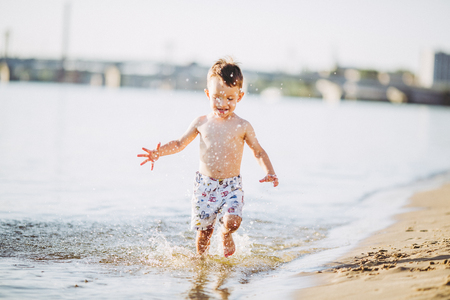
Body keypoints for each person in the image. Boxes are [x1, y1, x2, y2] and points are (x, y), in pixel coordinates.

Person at [137, 57, 278, 257]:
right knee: (204, 234)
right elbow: (179, 143)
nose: (222, 103)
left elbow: (259, 151)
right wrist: (157, 153)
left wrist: (269, 171)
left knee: (233, 221)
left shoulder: (242, 126)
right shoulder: (201, 122)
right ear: (207, 94)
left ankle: (226, 233)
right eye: (217, 97)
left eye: (230, 98)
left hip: (231, 185)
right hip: (204, 185)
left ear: (240, 96)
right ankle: (200, 268)